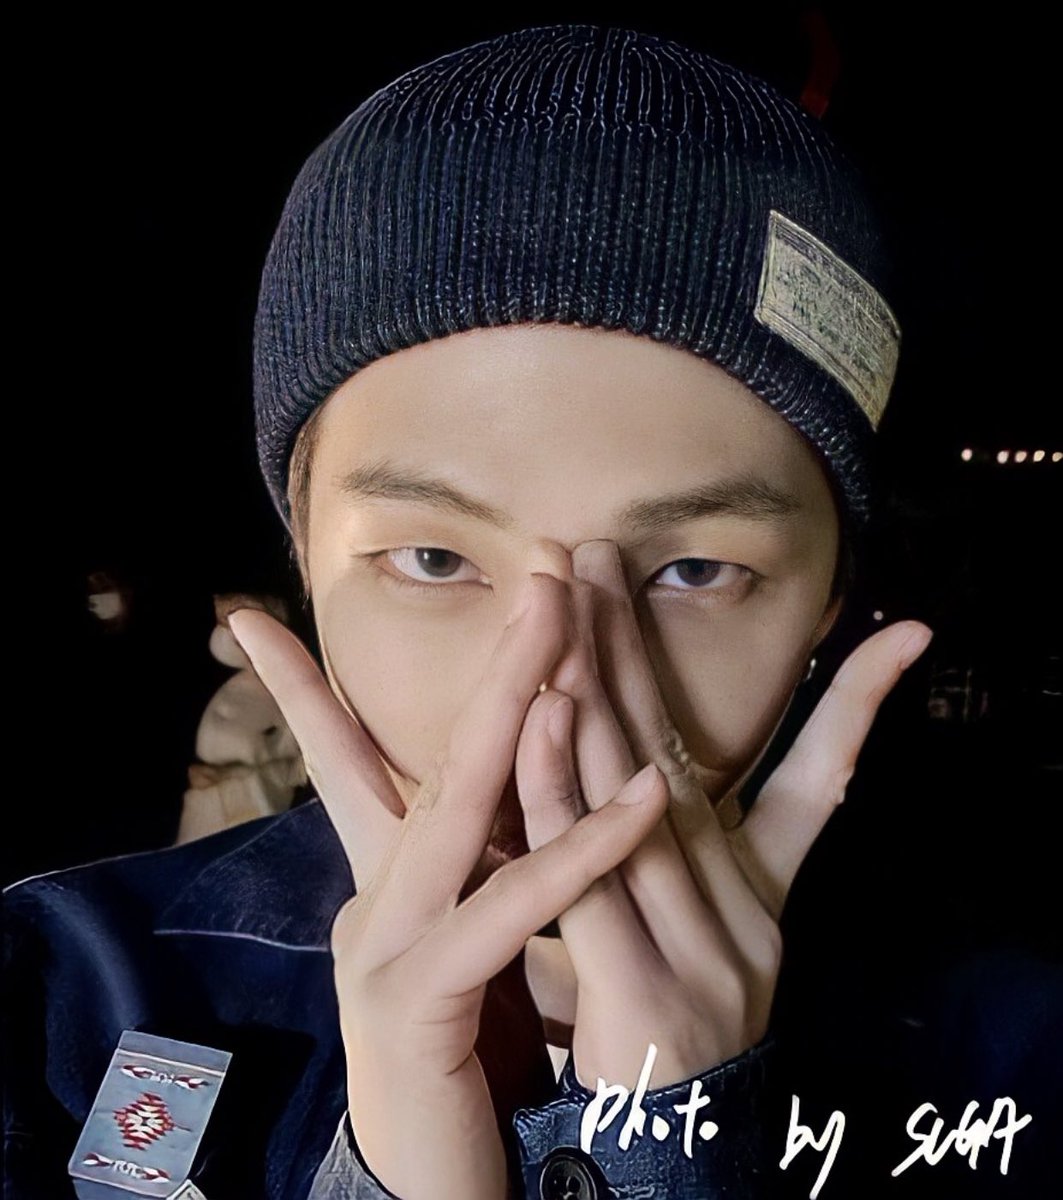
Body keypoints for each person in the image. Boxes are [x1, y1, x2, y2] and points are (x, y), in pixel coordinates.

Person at [3, 22, 1057, 1200]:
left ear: (828, 602)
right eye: (433, 558)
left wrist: (668, 1146)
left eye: (691, 571)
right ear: (304, 550)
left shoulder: (1013, 1055)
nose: (552, 691)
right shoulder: (51, 994)